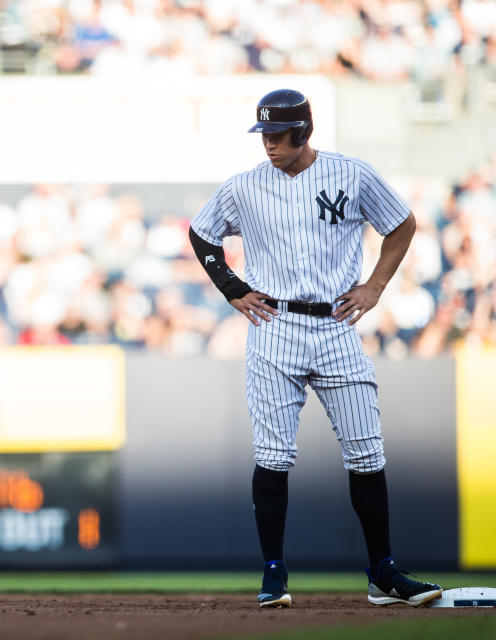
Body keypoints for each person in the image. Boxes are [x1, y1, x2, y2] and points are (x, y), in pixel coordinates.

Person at [188, 89, 442, 608]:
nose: (269, 146)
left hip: (334, 323)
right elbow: (201, 233)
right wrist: (233, 288)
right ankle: (274, 572)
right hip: (274, 323)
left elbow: (402, 223)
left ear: (303, 132)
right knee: (273, 455)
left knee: (366, 450)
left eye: (278, 136)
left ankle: (383, 572)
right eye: (264, 136)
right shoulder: (245, 187)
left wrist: (374, 287)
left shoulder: (351, 173)